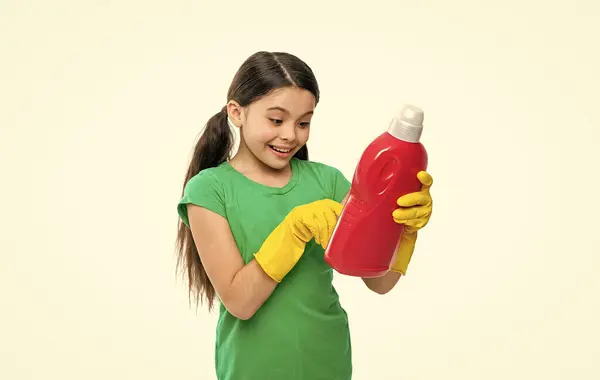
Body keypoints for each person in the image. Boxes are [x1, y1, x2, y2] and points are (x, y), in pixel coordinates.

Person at [175, 51, 434, 380]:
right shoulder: (210, 190)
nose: (290, 135)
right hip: (252, 368)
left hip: (328, 360)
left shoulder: (326, 181)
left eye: (303, 122)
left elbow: (380, 282)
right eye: (276, 120)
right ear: (236, 112)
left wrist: (403, 227)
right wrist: (293, 231)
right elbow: (240, 302)